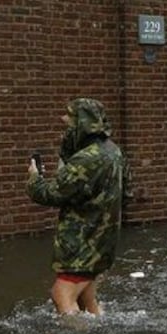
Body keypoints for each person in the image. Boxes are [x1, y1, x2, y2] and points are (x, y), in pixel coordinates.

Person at [26, 98, 125, 316]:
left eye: (70, 117)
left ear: (84, 122)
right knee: (86, 298)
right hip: (102, 240)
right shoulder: (113, 151)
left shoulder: (87, 159)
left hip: (82, 240)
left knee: (61, 294)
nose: (64, 120)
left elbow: (52, 193)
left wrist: (34, 179)